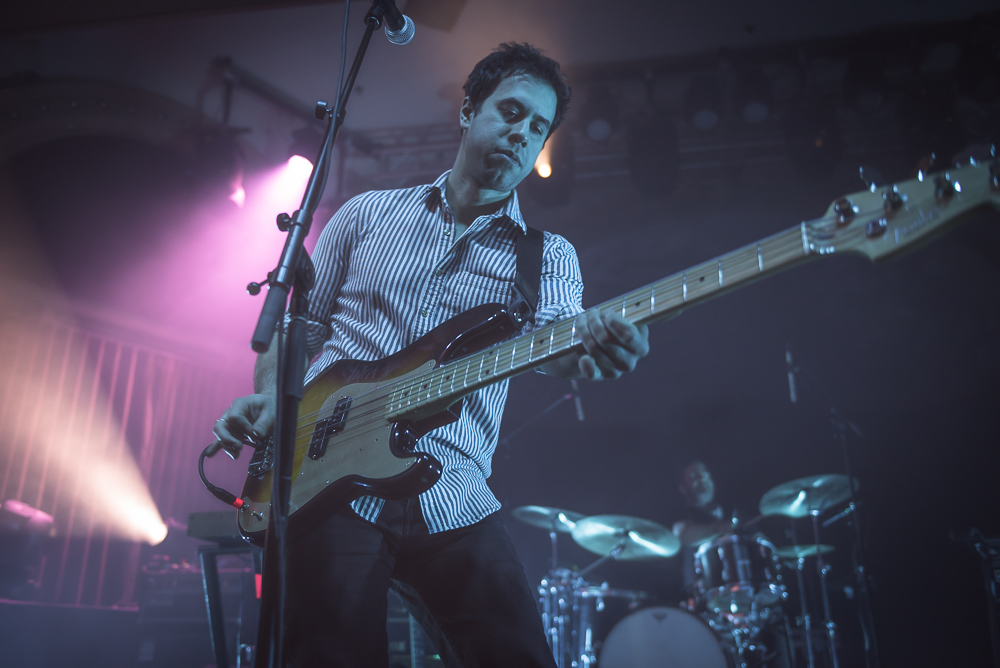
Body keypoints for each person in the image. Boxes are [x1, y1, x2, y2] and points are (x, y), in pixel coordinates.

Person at [213, 43, 650, 667]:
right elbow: (295, 330)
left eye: (537, 128)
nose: (521, 134)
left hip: (453, 486)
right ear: (469, 110)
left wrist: (592, 351)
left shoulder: (547, 257)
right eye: (511, 112)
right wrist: (268, 397)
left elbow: (556, 343)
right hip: (326, 475)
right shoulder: (366, 215)